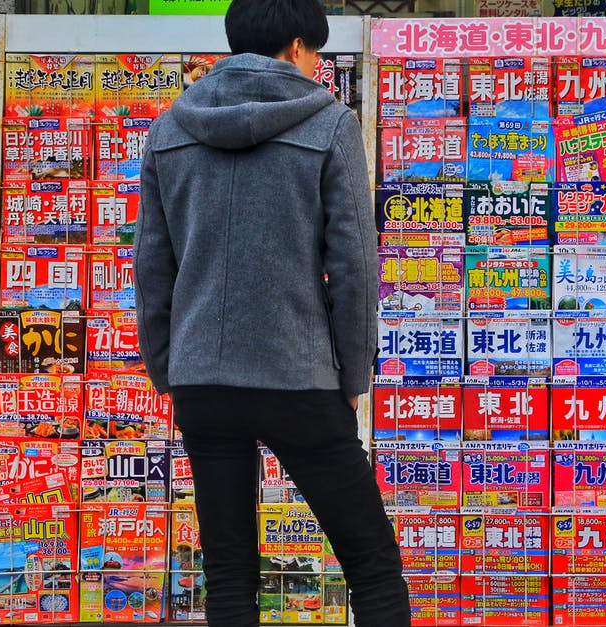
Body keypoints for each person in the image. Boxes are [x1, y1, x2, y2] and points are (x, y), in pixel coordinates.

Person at [133, 0, 410, 625]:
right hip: (299, 375)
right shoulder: (331, 125)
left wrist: (171, 371)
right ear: (294, 47)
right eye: (315, 52)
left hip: (203, 379)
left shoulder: (170, 128)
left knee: (228, 574)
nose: (316, 64)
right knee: (372, 566)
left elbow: (151, 270)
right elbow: (355, 269)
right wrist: (354, 377)